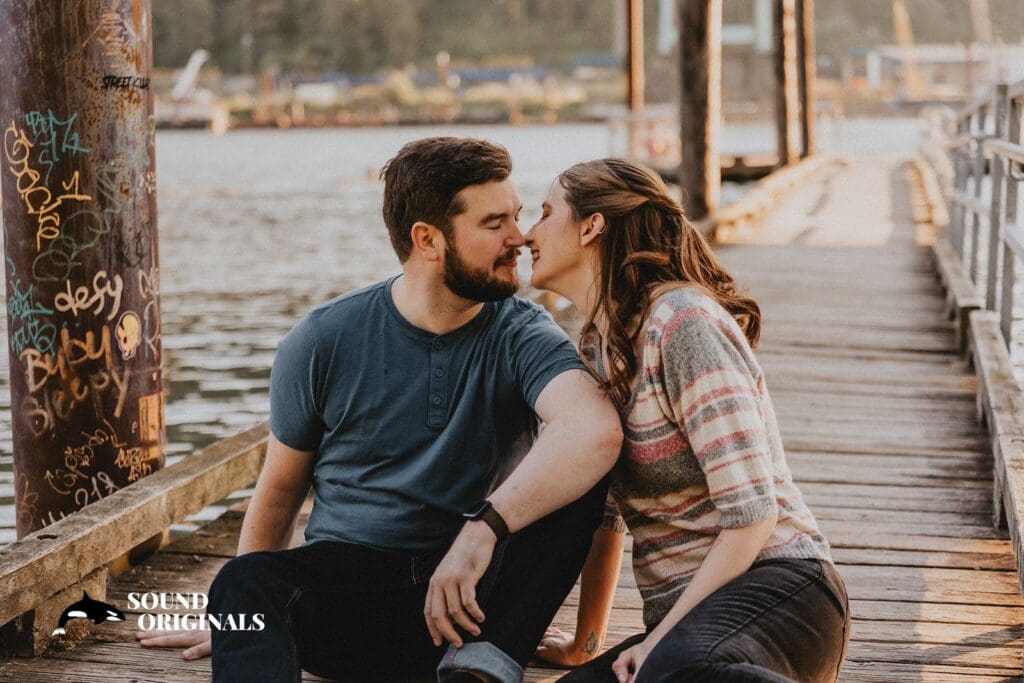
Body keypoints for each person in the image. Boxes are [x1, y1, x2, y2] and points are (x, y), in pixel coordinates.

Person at [136, 137, 623, 683]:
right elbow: (278, 491)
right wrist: (244, 626)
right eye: (494, 224)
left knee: (580, 472)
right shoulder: (322, 340)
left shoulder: (523, 333)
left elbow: (594, 432)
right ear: (428, 240)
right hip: (347, 600)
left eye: (517, 215)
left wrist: (479, 533)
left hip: (469, 612)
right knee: (241, 584)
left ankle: (477, 673)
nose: (520, 238)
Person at [524, 158, 849, 683]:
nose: (525, 234)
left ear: (592, 226)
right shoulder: (595, 349)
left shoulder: (683, 324)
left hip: (781, 591)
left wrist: (657, 639)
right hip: (691, 619)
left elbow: (753, 517)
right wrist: (586, 644)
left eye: (544, 213)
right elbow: (605, 518)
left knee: (675, 668)